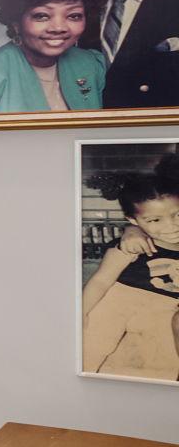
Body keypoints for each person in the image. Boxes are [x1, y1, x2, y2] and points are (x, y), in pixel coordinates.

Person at [82, 156, 179, 379]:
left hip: (163, 310)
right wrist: (82, 314)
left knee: (158, 366)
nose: (172, 226)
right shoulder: (132, 244)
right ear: (133, 220)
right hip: (118, 303)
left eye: (178, 215)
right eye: (155, 220)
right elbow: (101, 280)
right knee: (91, 349)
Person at [0, 0, 107, 113]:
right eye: (42, 16)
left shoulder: (91, 64)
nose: (59, 28)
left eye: (73, 16)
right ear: (16, 23)